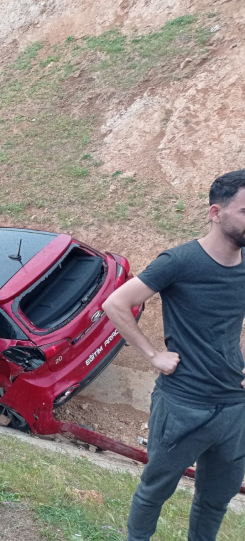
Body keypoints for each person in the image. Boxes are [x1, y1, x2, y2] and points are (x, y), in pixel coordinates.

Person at [103, 170, 245, 541]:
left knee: (216, 499)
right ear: (216, 212)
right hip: (183, 404)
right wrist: (153, 356)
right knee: (155, 491)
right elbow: (116, 303)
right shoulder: (179, 261)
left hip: (234, 408)